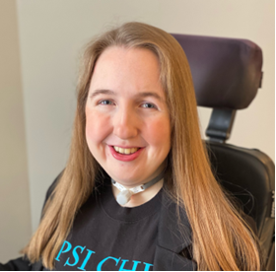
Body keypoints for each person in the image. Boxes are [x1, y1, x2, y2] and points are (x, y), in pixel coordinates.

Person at [0, 22, 262, 271]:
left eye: (147, 105)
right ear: (84, 112)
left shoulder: (222, 243)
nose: (124, 128)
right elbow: (36, 264)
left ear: (175, 119)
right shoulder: (66, 192)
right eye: (106, 101)